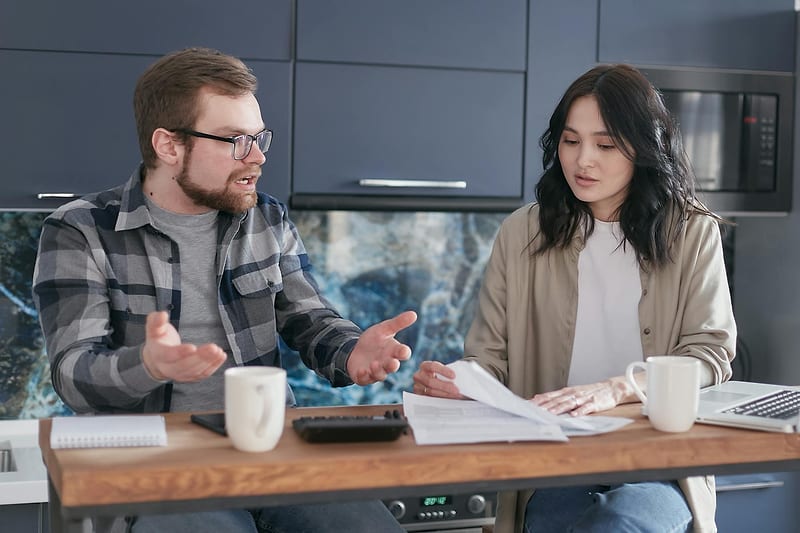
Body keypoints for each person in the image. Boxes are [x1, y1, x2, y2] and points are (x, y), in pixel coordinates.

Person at [32, 47, 415, 533]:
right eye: (235, 140)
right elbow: (73, 374)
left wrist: (351, 350)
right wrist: (147, 365)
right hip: (157, 466)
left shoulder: (266, 218)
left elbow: (311, 320)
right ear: (169, 146)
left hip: (270, 454)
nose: (256, 157)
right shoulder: (80, 231)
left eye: (258, 138)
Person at [413, 63, 736, 533]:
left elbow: (710, 353)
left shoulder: (691, 232)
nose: (583, 160)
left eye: (605, 145)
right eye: (570, 141)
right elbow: (488, 359)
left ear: (644, 148)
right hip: (553, 461)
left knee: (623, 522)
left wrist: (617, 388)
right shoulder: (522, 232)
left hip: (657, 462)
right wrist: (460, 383)